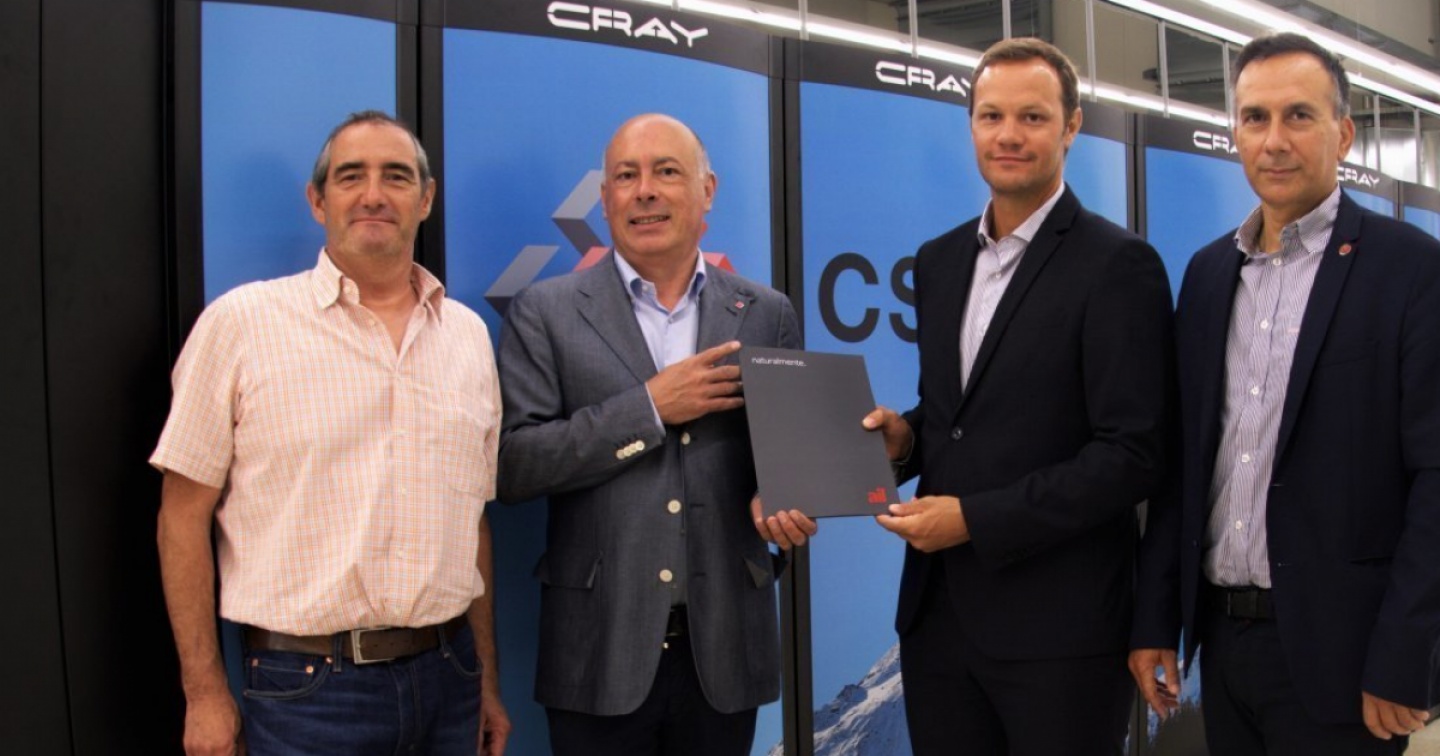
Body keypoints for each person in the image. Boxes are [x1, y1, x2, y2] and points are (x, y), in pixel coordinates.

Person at [152, 111, 510, 756]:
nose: (374, 194)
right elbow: (182, 516)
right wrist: (203, 693)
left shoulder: (466, 336)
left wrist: (485, 680)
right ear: (318, 201)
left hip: (450, 676)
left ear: (425, 199)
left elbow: (472, 524)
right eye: (351, 177)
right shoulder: (242, 323)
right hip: (307, 691)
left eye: (396, 176)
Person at [862, 38, 1175, 755]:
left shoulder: (1118, 264)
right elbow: (961, 418)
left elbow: (1133, 455)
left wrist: (975, 519)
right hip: (939, 623)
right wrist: (905, 440)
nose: (1008, 135)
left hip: (1060, 633)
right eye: (991, 116)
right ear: (971, 125)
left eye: (1032, 117)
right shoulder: (939, 261)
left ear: (1071, 126)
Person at [1130, 32, 1440, 755]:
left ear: (1343, 134)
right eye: (1255, 118)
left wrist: (1409, 654)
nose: (1274, 140)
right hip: (1222, 646)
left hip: (1349, 657)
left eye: (1298, 115)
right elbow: (1183, 468)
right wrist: (1156, 619)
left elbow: (1436, 478)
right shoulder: (1208, 275)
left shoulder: (1411, 269)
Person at [496, 113, 814, 756]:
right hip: (597, 651)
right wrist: (649, 408)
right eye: (625, 176)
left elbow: (790, 460)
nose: (644, 191)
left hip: (727, 649)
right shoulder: (545, 311)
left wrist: (785, 496)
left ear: (707, 190)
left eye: (666, 171)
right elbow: (515, 464)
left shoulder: (766, 312)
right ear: (605, 197)